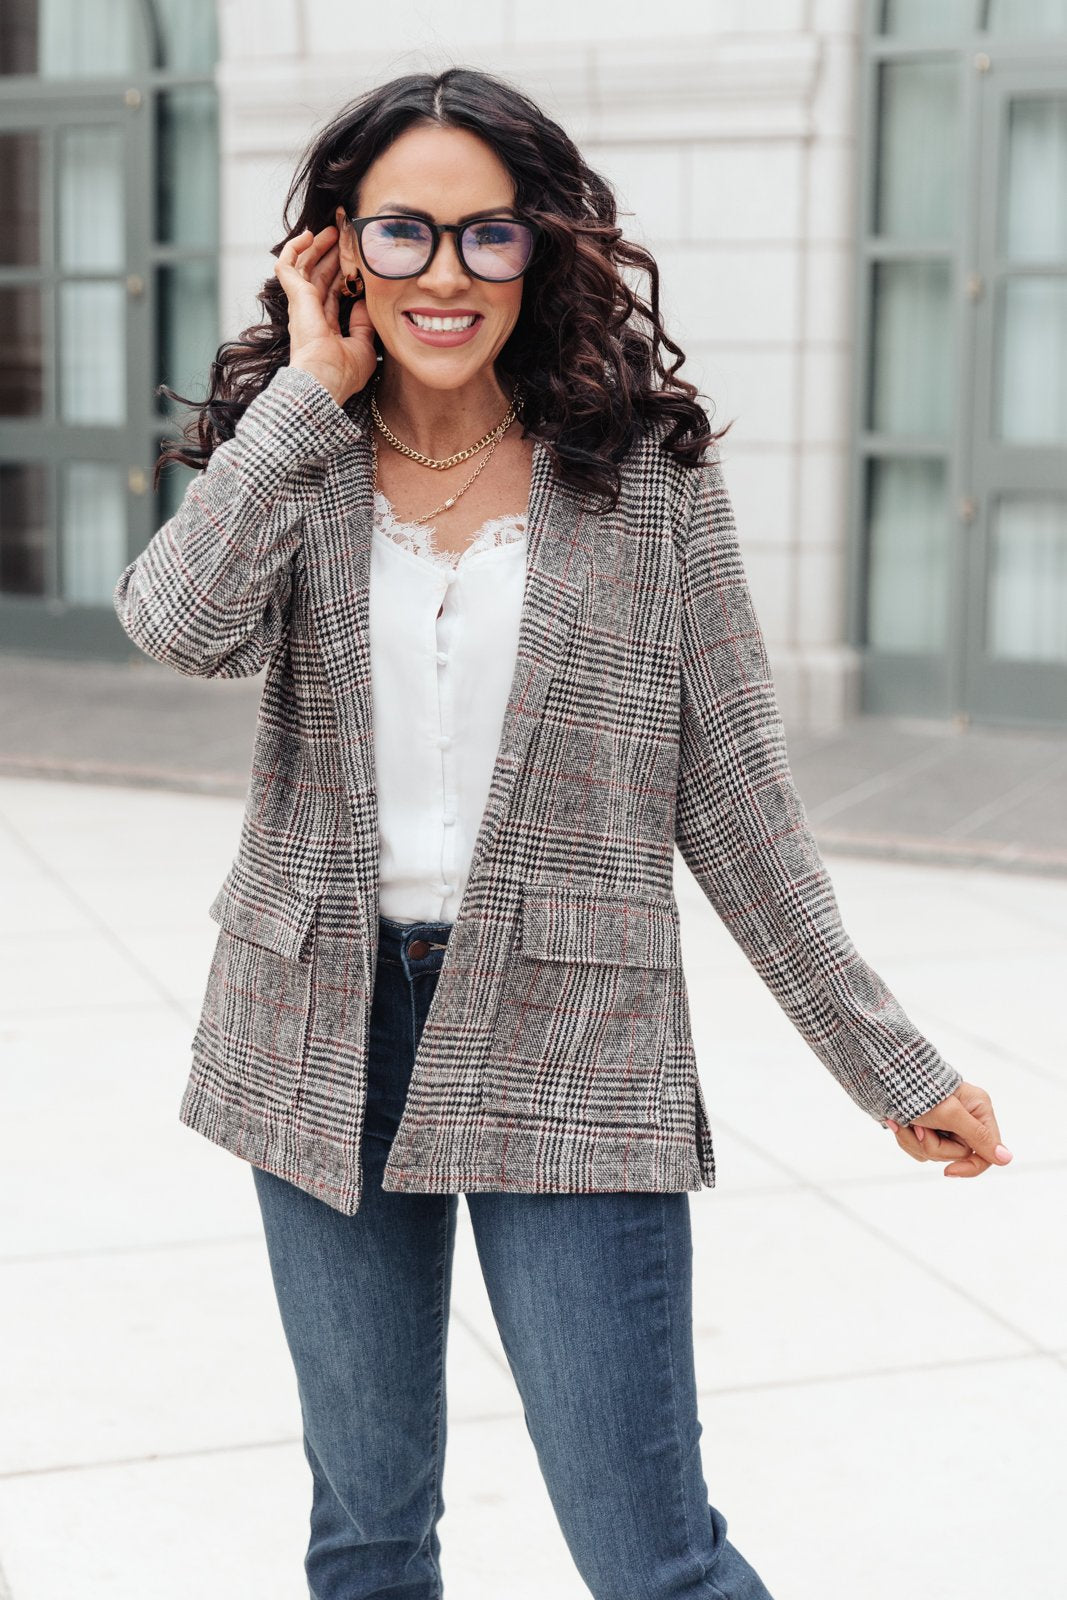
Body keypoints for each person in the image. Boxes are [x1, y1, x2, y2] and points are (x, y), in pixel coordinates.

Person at [113, 66, 1012, 1600]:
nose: (446, 274)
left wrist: (889, 1065)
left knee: (653, 1558)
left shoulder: (645, 476)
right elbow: (174, 626)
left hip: (575, 1032)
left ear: (543, 247)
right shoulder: (302, 455)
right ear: (337, 249)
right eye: (402, 232)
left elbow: (735, 795)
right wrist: (303, 398)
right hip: (316, 1025)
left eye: (489, 234)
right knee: (368, 1532)